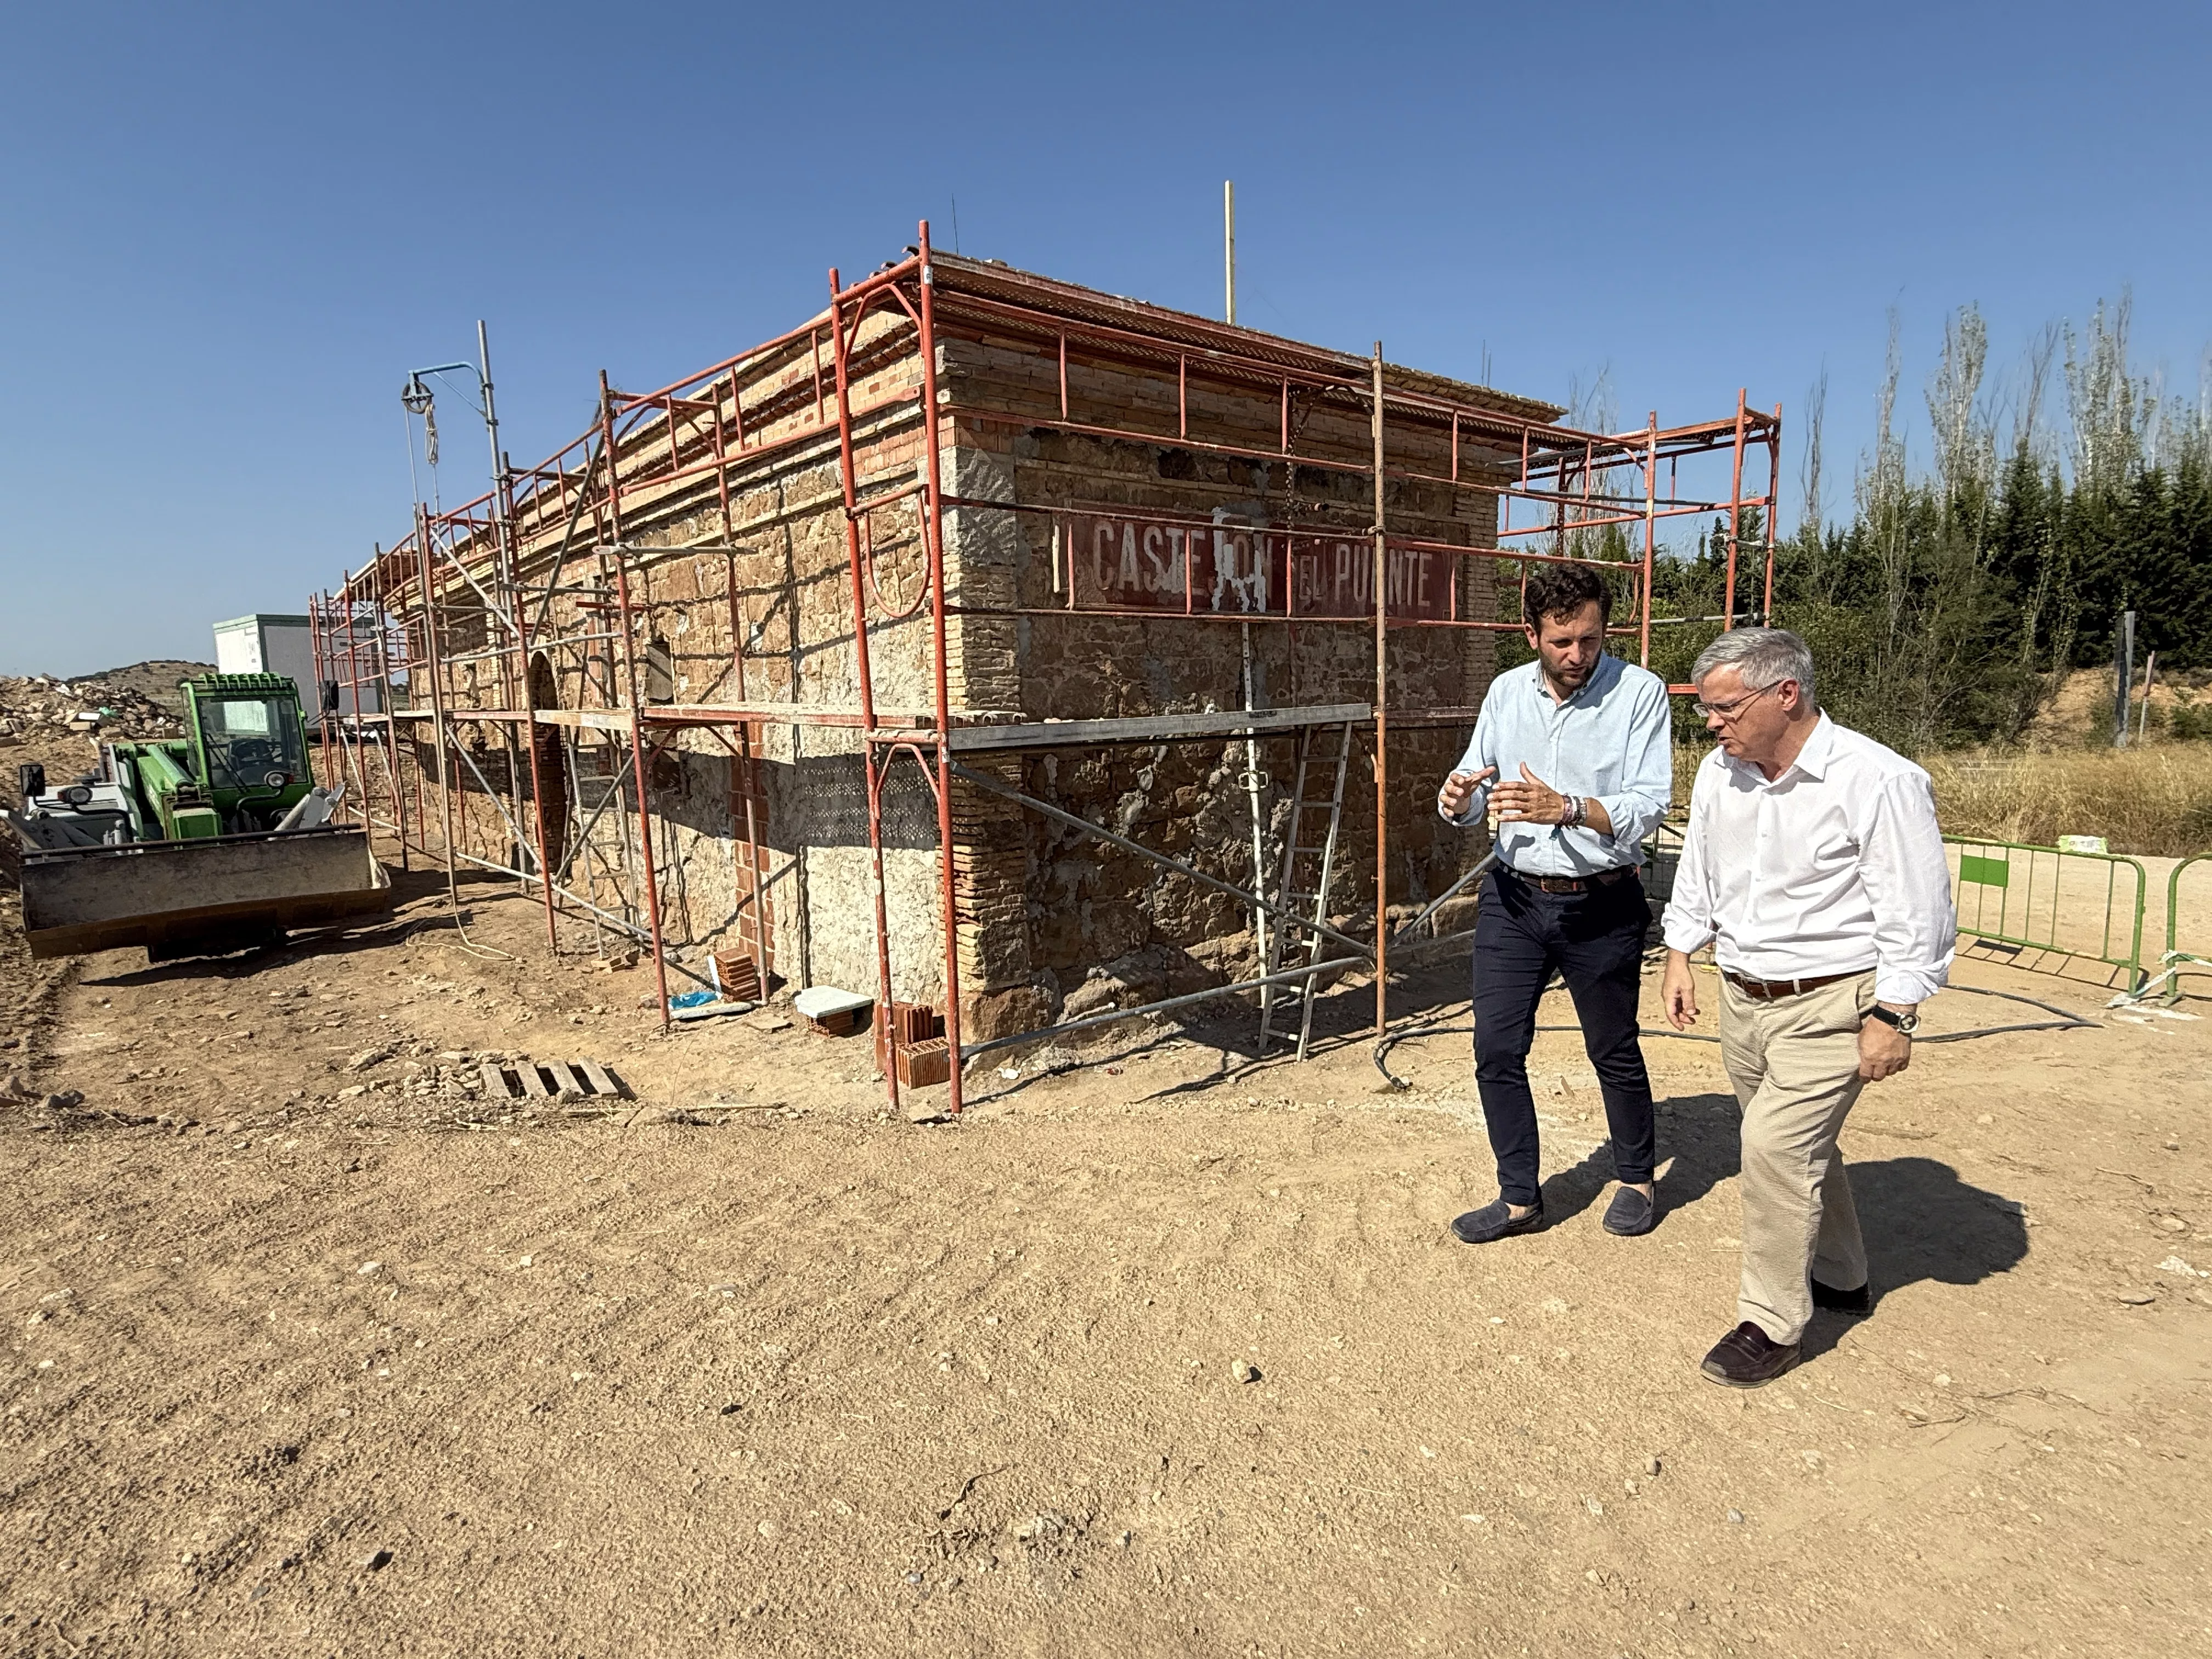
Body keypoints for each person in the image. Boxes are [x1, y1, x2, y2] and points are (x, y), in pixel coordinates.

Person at [1660, 628, 1956, 1388]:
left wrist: (1896, 1014)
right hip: (1743, 998)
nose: (1712, 724)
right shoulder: (1724, 776)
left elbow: (1916, 906)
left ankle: (1772, 1323)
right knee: (1796, 1148)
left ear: (1785, 693)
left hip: (1832, 1004)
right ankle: (1843, 1275)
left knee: (1774, 1149)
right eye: (1705, 711)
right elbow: (1699, 865)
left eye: (1725, 708)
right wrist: (1681, 952)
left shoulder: (1877, 780)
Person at [1436, 561, 1672, 1244]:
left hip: (1601, 904)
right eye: (1562, 642)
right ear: (1530, 632)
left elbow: (1649, 804)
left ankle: (1635, 1177)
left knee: (1613, 1048)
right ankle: (1519, 1198)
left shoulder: (1640, 693)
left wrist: (1566, 808)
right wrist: (1458, 800)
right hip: (1513, 898)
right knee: (1496, 1048)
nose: (1578, 657)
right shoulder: (1506, 693)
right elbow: (1476, 780)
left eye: (1591, 641)